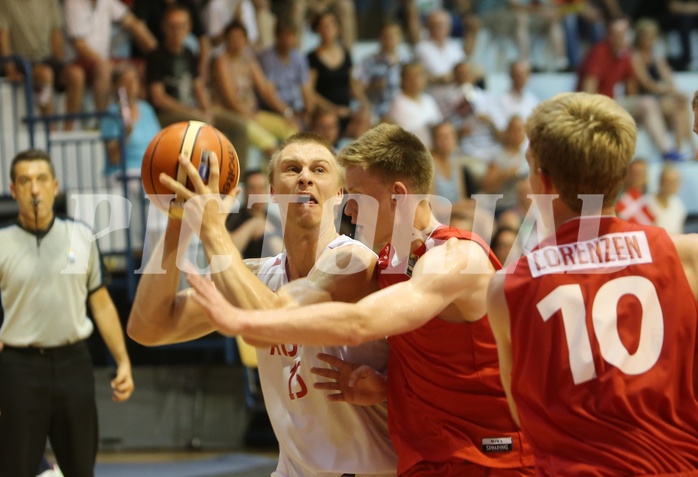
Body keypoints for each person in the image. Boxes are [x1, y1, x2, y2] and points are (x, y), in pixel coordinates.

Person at [184, 123, 535, 476]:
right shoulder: (388, 263)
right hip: (426, 455)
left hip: (490, 455)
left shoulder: (454, 259)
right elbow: (436, 356)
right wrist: (389, 387)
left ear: (397, 196)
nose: (349, 211)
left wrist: (242, 320)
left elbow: (361, 324)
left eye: (355, 196)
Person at [127, 132, 398, 477]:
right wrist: (179, 218)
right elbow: (148, 328)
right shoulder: (256, 276)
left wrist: (213, 230)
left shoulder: (354, 261)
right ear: (272, 193)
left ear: (340, 194)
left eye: (319, 169)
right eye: (292, 168)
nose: (305, 177)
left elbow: (269, 323)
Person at [487, 92, 698, 474]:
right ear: (622, 173)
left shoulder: (508, 288)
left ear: (544, 180)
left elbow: (521, 414)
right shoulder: (687, 257)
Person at [0, 149, 134, 477]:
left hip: (74, 364)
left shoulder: (81, 236)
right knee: (14, 468)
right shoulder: (1, 242)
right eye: (25, 181)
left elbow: (100, 303)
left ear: (55, 186)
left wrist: (123, 360)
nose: (34, 189)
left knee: (80, 469)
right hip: (19, 368)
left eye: (42, 179)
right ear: (13, 189)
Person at [146, 4, 249, 171]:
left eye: (181, 26)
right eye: (172, 26)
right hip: (167, 115)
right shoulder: (156, 56)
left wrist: (206, 108)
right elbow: (158, 98)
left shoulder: (188, 53)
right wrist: (192, 111)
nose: (176, 31)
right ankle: (207, 177)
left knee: (238, 126)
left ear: (189, 28)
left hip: (192, 110)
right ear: (164, 27)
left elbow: (198, 86)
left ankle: (237, 179)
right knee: (201, 122)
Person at [211, 21, 298, 159]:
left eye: (240, 38)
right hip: (231, 114)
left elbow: (265, 90)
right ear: (226, 41)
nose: (236, 42)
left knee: (292, 129)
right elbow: (229, 99)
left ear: (246, 40)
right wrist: (247, 115)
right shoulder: (221, 61)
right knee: (269, 143)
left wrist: (286, 112)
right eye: (232, 39)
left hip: (252, 113)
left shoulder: (249, 60)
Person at [0, 0, 85, 130]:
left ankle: (69, 131)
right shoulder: (6, 3)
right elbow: (3, 37)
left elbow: (55, 34)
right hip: (21, 61)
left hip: (46, 59)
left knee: (76, 74)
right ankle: (51, 130)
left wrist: (59, 64)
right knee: (45, 74)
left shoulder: (50, 2)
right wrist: (9, 69)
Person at [646, 164, 687, 234]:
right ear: (660, 181)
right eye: (667, 181)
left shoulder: (679, 205)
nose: (671, 185)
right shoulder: (646, 202)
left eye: (675, 181)